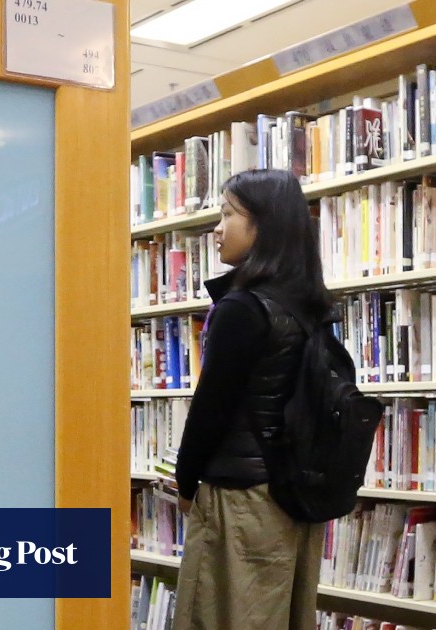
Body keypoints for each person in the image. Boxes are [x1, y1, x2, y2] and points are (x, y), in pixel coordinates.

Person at [172, 168, 336, 630]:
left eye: (228, 214)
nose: (217, 228)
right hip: (293, 495)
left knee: (219, 614)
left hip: (240, 498)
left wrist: (186, 484)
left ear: (262, 225)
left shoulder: (243, 309)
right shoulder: (310, 306)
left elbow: (212, 408)